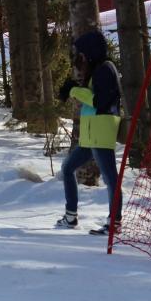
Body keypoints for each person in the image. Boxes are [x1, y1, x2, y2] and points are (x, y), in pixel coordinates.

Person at [55, 29, 123, 235]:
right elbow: (94, 96)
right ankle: (71, 216)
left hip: (100, 132)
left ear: (91, 51)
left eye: (83, 53)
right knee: (67, 168)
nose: (81, 58)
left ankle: (114, 222)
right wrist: (75, 87)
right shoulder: (98, 69)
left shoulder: (105, 68)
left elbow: (98, 101)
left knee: (111, 178)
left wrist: (74, 90)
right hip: (90, 135)